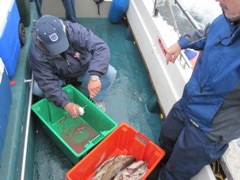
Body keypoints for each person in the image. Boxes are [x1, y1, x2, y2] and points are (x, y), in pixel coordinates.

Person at [158, 0, 240, 179]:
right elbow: (210, 33)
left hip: (206, 130)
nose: (217, 1)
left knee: (174, 173)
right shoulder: (229, 16)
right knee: (164, 142)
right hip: (188, 102)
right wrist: (182, 43)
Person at [30, 15, 117, 116]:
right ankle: (59, 98)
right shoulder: (37, 53)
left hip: (84, 69)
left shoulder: (75, 30)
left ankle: (97, 100)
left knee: (110, 73)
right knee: (37, 88)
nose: (60, 49)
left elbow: (100, 47)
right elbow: (47, 81)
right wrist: (65, 103)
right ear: (41, 40)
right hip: (61, 77)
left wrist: (95, 76)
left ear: (63, 29)